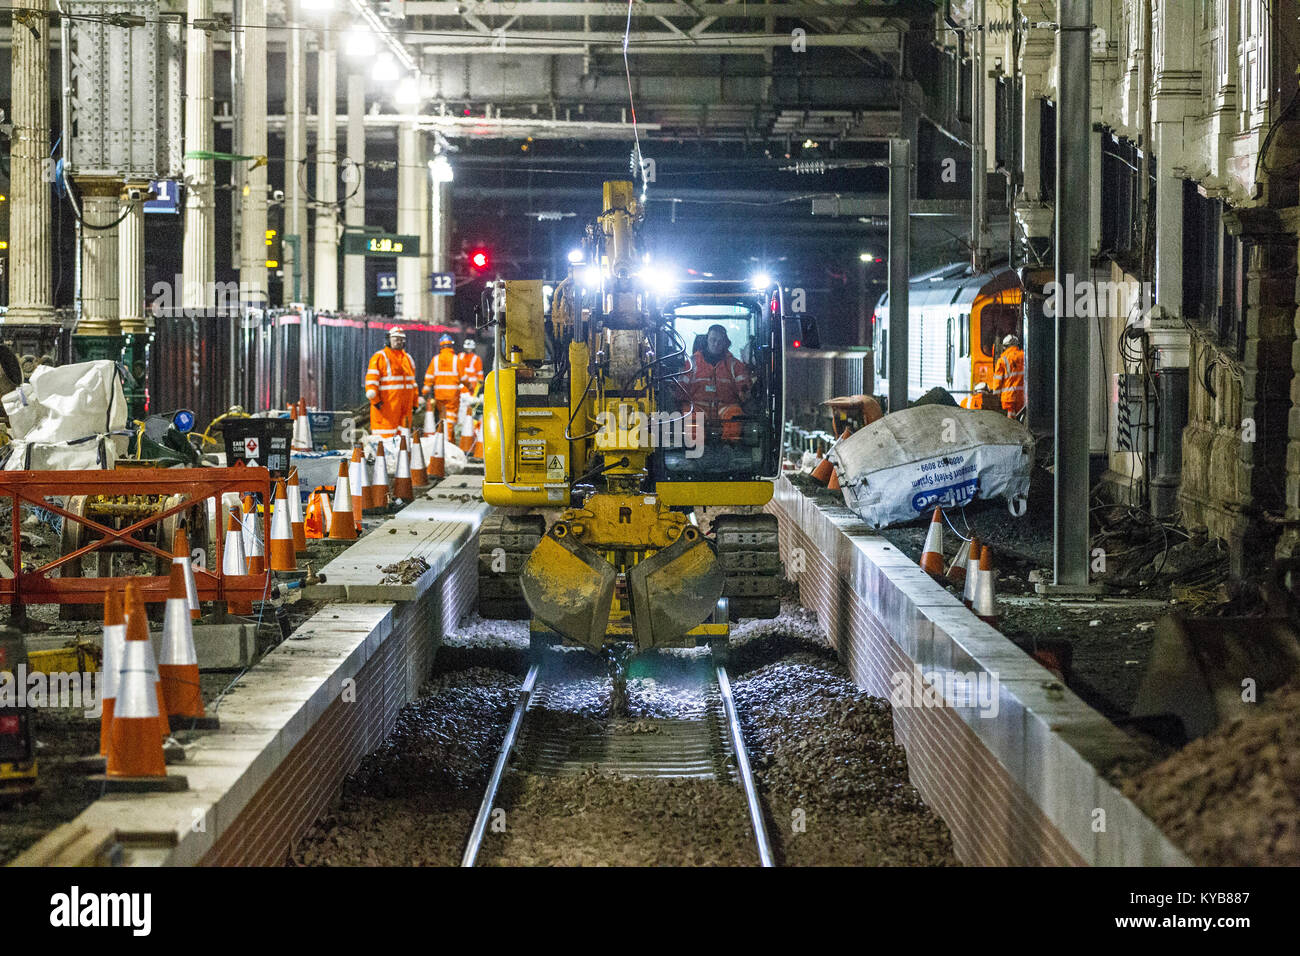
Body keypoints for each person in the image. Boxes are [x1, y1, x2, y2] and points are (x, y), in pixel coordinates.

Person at [682, 324, 752, 441]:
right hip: (698, 406)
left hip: (726, 406)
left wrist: (745, 393)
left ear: (725, 343)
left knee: (735, 414)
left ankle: (730, 447)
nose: (716, 344)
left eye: (720, 341)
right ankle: (695, 448)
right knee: (690, 415)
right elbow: (681, 388)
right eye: (713, 340)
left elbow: (745, 388)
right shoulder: (692, 362)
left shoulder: (734, 364)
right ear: (707, 340)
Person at [364, 327, 418, 440]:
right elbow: (372, 379)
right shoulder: (380, 357)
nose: (399, 342)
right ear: (389, 340)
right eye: (396, 339)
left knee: (404, 437)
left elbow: (412, 383)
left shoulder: (408, 358)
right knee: (385, 437)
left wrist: (415, 402)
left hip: (404, 407)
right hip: (386, 407)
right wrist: (375, 400)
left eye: (401, 339)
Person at [422, 334, 461, 445]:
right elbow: (463, 378)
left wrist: (425, 392)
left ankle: (446, 440)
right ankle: (448, 441)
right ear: (451, 346)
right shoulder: (456, 359)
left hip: (439, 395)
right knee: (450, 418)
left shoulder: (435, 360)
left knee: (442, 417)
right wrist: (470, 388)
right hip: (452, 395)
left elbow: (429, 377)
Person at [990, 333, 1025, 417]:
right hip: (1023, 396)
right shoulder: (1024, 356)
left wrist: (996, 394)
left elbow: (998, 380)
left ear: (1006, 346)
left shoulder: (1003, 360)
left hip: (1009, 397)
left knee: (1011, 422)